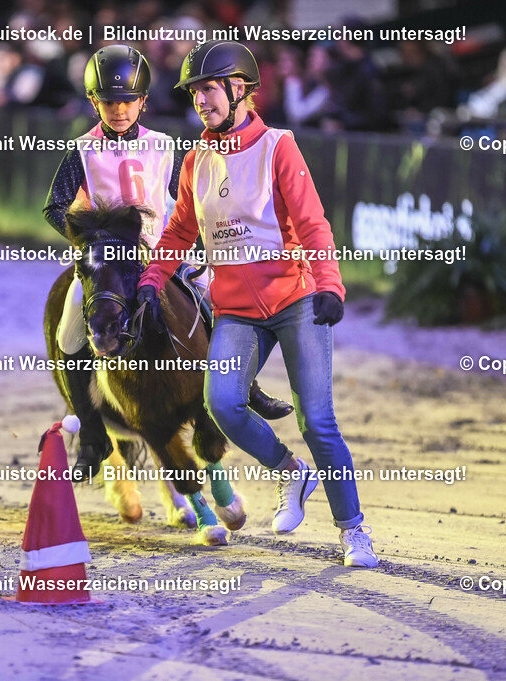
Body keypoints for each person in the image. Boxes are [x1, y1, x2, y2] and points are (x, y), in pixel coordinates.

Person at [136, 41, 378, 567]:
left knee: (318, 421)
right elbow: (179, 230)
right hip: (237, 311)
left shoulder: (279, 147)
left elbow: (313, 224)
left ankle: (353, 531)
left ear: (240, 89)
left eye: (208, 89)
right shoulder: (195, 160)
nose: (200, 100)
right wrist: (152, 279)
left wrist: (331, 285)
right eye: (194, 92)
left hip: (296, 301)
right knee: (222, 404)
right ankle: (291, 471)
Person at [43, 44, 292, 483]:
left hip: (162, 255)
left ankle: (247, 389)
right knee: (67, 334)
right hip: (109, 265)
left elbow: (187, 198)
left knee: (219, 301)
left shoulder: (165, 147)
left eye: (127, 101)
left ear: (142, 101)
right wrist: (92, 240)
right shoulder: (80, 151)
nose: (118, 110)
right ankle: (94, 436)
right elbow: (55, 206)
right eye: (108, 101)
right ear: (93, 102)